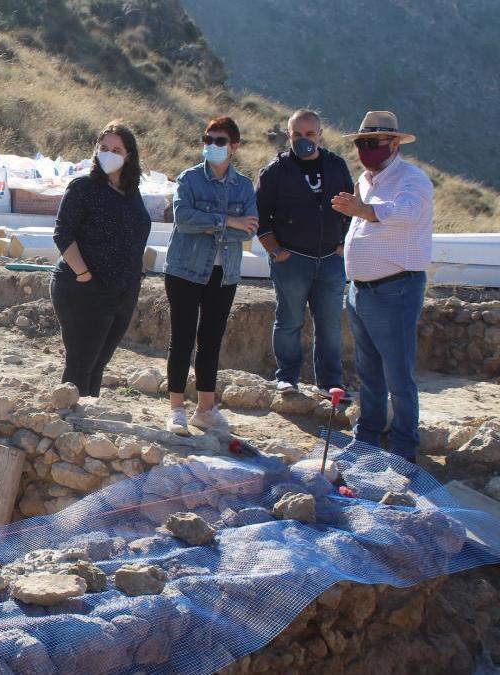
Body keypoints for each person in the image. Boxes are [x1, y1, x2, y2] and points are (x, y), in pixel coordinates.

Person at [332, 111, 432, 461]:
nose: (365, 150)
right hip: (362, 289)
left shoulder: (412, 179)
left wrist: (363, 209)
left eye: (372, 143)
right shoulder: (366, 179)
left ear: (393, 144)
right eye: (362, 143)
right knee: (368, 369)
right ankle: (369, 434)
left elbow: (405, 214)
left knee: (397, 372)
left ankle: (404, 445)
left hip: (396, 288)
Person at [164, 116, 259, 435]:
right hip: (185, 270)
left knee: (211, 340)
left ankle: (206, 408)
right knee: (182, 338)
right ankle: (176, 409)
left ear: (234, 146)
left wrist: (217, 224)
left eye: (219, 141)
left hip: (224, 272)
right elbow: (183, 219)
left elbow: (250, 228)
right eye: (207, 140)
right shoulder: (189, 179)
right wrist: (228, 221)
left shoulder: (244, 185)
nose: (212, 146)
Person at [256, 109, 355, 397]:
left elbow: (352, 208)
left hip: (331, 261)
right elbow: (261, 217)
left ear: (320, 134)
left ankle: (329, 383)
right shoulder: (275, 171)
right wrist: (275, 251)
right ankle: (287, 378)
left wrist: (343, 245)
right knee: (289, 321)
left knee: (329, 326)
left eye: (309, 134)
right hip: (292, 260)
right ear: (289, 135)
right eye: (297, 134)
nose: (304, 140)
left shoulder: (336, 166)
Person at [51, 121, 152, 396]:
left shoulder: (132, 193)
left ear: (128, 155)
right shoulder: (84, 187)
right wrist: (84, 274)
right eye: (103, 147)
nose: (108, 153)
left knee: (98, 364)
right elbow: (63, 234)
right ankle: (68, 425)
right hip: (84, 287)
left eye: (116, 149)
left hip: (122, 290)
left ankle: (86, 423)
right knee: (80, 364)